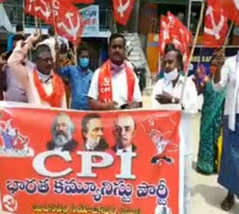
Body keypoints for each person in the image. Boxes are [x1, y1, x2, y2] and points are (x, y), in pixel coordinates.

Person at [151, 46, 198, 214]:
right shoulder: (158, 85)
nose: (167, 66)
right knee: (163, 184)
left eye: (170, 62)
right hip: (164, 146)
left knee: (184, 186)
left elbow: (193, 108)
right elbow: (154, 111)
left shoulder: (188, 85)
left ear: (179, 64)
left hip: (183, 144)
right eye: (165, 62)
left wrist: (172, 100)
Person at [8, 33, 67, 108]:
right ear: (37, 61)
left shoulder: (59, 81)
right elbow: (12, 62)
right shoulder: (28, 78)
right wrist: (28, 43)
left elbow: (63, 108)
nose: (49, 63)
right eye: (45, 60)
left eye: (50, 59)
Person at [213, 49, 239, 211]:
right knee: (231, 156)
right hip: (233, 117)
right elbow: (217, 86)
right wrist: (219, 67)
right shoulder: (230, 63)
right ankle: (230, 194)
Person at [88, 33, 143, 110]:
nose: (117, 50)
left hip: (125, 120)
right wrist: (105, 107)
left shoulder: (132, 75)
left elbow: (139, 102)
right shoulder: (98, 73)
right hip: (106, 120)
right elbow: (91, 101)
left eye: (120, 47)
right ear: (109, 51)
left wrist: (128, 109)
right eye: (114, 47)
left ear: (125, 50)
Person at [196, 53, 226, 175]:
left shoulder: (223, 83)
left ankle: (214, 165)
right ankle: (203, 165)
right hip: (206, 115)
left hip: (218, 117)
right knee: (205, 139)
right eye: (212, 65)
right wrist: (198, 80)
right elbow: (199, 92)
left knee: (215, 140)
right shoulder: (207, 79)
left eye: (216, 65)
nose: (213, 67)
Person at [56, 44, 93, 110]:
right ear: (79, 58)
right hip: (74, 111)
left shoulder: (92, 75)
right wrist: (57, 54)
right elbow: (58, 71)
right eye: (83, 57)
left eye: (86, 57)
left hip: (88, 110)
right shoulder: (72, 70)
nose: (85, 59)